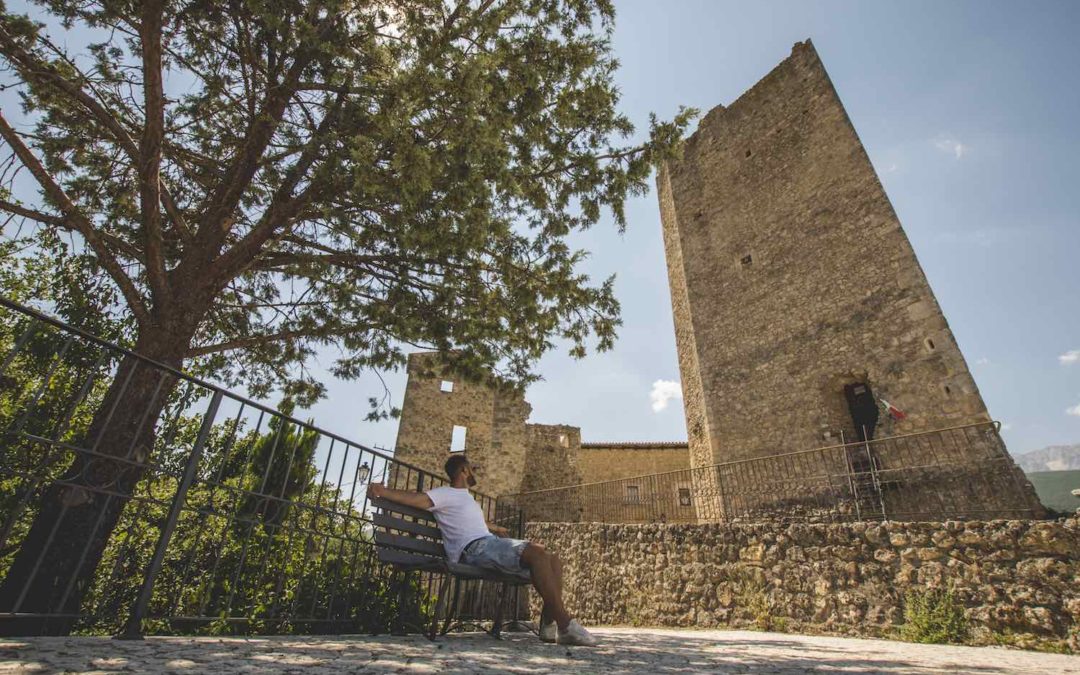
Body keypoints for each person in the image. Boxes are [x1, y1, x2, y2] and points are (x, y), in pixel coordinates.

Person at [368, 455, 598, 646]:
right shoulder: (446, 493)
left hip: (487, 543)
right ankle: (565, 623)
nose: (474, 471)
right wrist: (383, 491)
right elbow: (419, 500)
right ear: (463, 470)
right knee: (537, 553)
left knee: (553, 558)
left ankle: (550, 624)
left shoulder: (465, 499)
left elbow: (473, 522)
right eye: (472, 468)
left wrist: (495, 527)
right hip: (475, 549)